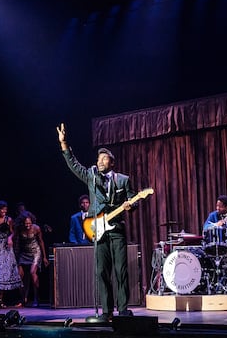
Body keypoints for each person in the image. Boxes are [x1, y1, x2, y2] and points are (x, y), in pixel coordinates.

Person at [57, 122, 137, 321]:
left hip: (117, 229)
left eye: (104, 158)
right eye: (98, 158)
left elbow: (133, 199)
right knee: (102, 271)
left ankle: (123, 309)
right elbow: (74, 165)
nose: (100, 161)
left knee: (121, 270)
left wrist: (130, 205)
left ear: (112, 162)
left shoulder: (123, 180)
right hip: (98, 229)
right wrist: (64, 144)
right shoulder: (92, 177)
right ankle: (106, 312)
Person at [15, 216, 49, 307]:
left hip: (35, 252)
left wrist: (45, 257)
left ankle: (36, 298)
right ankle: (23, 298)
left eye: (29, 223)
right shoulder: (19, 228)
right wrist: (16, 256)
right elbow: (17, 242)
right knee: (19, 275)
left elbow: (41, 241)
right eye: (26, 223)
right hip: (24, 253)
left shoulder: (36, 228)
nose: (28, 225)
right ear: (22, 223)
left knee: (32, 272)